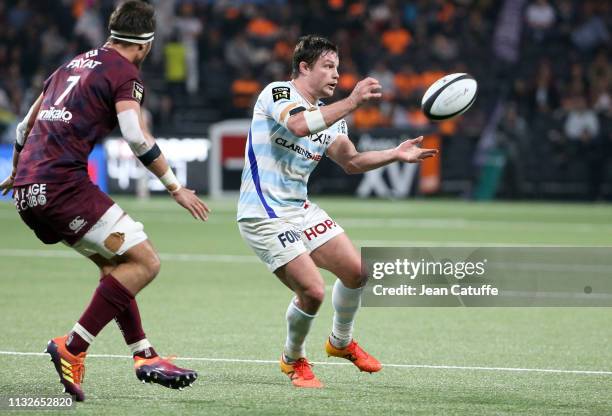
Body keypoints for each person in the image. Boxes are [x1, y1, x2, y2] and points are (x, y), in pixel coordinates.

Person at [0, 1, 210, 402]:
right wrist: (174, 186)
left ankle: (144, 355)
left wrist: (17, 171)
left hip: (30, 188)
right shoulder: (124, 72)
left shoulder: (68, 66)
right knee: (146, 262)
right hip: (63, 186)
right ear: (146, 45)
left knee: (116, 266)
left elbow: (25, 127)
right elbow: (134, 135)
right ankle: (73, 347)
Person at [237, 35, 437, 388]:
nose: (335, 75)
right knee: (312, 291)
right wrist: (353, 100)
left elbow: (353, 161)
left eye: (338, 69)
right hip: (263, 213)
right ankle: (292, 358)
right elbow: (298, 125)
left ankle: (340, 343)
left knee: (358, 272)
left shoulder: (333, 119)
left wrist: (395, 153)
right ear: (304, 67)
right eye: (328, 67)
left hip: (300, 209)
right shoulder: (277, 94)